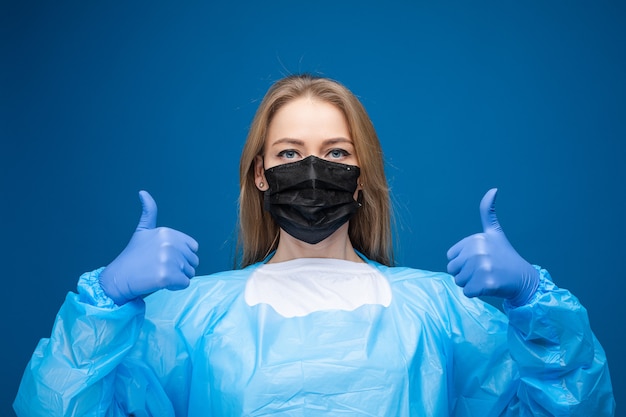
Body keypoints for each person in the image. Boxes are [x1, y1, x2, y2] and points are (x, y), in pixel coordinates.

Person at [14, 74, 615, 416]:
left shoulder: (441, 312)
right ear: (259, 175)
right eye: (288, 154)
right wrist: (105, 303)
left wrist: (536, 303)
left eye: (336, 154)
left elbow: (571, 408)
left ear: (362, 178)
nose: (311, 169)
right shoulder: (188, 316)